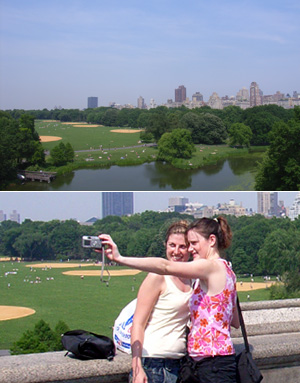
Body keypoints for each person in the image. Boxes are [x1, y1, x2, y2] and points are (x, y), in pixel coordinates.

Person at [100, 216, 240, 383]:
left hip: (210, 362)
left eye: (192, 244)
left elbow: (165, 266)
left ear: (211, 240)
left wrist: (120, 258)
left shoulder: (209, 267)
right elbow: (235, 321)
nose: (191, 249)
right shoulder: (227, 270)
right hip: (176, 361)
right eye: (188, 244)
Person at [113, 221, 193, 383]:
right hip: (152, 363)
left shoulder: (192, 278)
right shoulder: (157, 277)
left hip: (179, 363)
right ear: (165, 245)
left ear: (190, 249)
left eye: (182, 247)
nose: (176, 251)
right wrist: (137, 368)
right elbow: (138, 324)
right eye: (172, 245)